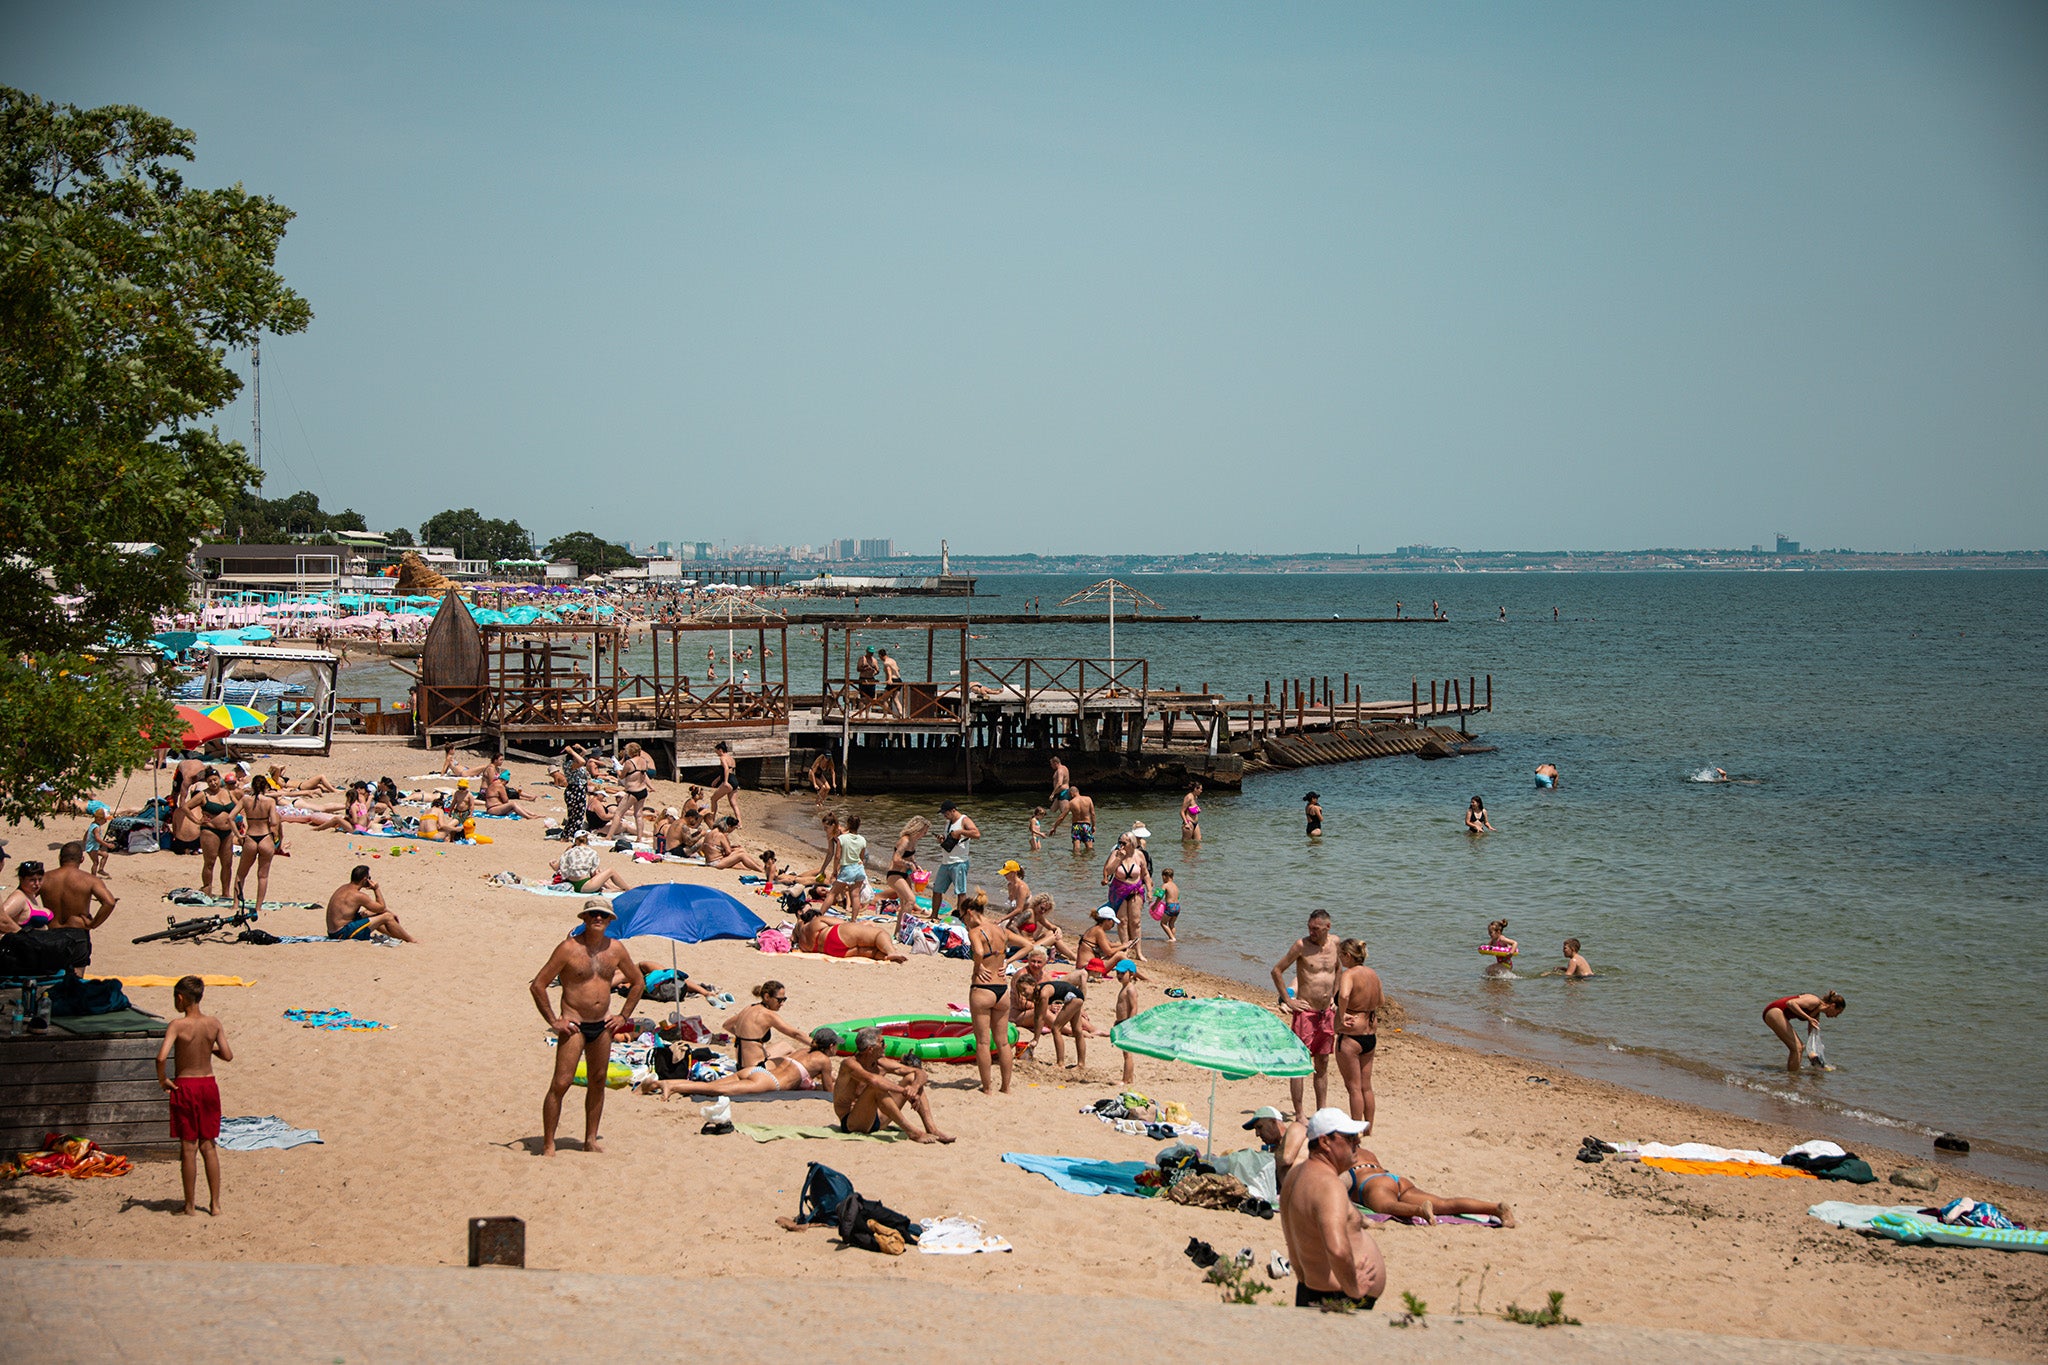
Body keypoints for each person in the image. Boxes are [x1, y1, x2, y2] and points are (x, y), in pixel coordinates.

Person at [530, 901, 644, 1155]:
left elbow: (638, 982)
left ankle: (590, 1139)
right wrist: (553, 1020)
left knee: (598, 1080)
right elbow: (538, 984)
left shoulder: (616, 949)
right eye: (593, 914)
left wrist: (623, 1016)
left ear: (610, 920)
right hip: (575, 1025)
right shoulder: (568, 949)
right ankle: (549, 1143)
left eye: (603, 915)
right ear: (584, 917)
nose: (597, 918)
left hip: (603, 1025)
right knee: (561, 1082)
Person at [1279, 1109, 1386, 1311]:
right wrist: (1354, 1289)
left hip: (1310, 1290)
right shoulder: (1328, 1185)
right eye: (1350, 1138)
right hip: (1337, 1297)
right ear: (1325, 1142)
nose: (1358, 1143)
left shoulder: (1294, 1177)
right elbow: (1337, 1249)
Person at [156, 975, 231, 1215]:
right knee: (209, 1146)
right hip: (208, 1085)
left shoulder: (177, 1026)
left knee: (188, 1147)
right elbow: (228, 1055)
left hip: (186, 1086)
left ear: (180, 998)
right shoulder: (213, 1023)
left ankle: (189, 1206)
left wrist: (163, 1079)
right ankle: (215, 1205)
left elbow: (161, 1057)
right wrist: (210, 1048)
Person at [1342, 1144, 1515, 1228]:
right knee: (1445, 1203)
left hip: (1370, 1183)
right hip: (1394, 1178)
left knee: (1387, 1206)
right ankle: (1495, 1208)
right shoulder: (1368, 1152)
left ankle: (1419, 1211)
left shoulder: (1339, 1154)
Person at [1271, 909, 1340, 1118]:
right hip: (1306, 1013)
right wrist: (1289, 1001)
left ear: (1327, 927)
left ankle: (1321, 1110)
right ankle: (1299, 1113)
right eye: (1310, 928)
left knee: (1323, 1063)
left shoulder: (1336, 943)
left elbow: (1339, 970)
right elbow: (1276, 971)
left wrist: (1335, 999)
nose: (1312, 932)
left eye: (1316, 929)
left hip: (1326, 1013)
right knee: (1299, 1064)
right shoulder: (1301, 946)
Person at [640, 1028, 837, 1100]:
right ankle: (670, 1084)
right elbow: (828, 1091)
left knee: (711, 1087)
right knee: (713, 1091)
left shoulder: (804, 1051)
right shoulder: (823, 1060)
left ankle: (656, 1085)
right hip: (769, 1082)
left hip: (756, 1071)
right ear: (830, 1046)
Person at [833, 1026, 954, 1142]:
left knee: (912, 1078)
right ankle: (911, 1131)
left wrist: (914, 1087)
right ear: (870, 1049)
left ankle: (932, 1129)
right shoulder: (849, 1064)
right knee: (875, 1088)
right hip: (852, 1122)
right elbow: (873, 1080)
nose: (885, 1045)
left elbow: (920, 1072)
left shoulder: (880, 1062)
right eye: (882, 1042)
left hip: (877, 1120)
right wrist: (904, 1091)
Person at [958, 896, 1012, 1095]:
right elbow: (1027, 945)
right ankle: (1006, 1087)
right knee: (1003, 1041)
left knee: (982, 1042)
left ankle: (987, 1088)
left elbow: (979, 951)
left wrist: (977, 966)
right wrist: (1007, 962)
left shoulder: (974, 931)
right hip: (1002, 989)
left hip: (983, 988)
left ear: (970, 912)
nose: (964, 922)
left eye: (963, 918)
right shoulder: (1000, 929)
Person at [1333, 939, 1382, 1129]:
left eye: (1341, 955)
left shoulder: (1349, 974)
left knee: (1353, 1087)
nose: (1339, 959)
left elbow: (1344, 995)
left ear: (1348, 955)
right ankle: (1368, 1127)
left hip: (1352, 1034)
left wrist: (1343, 1013)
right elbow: (1381, 1000)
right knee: (1366, 1086)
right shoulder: (1373, 974)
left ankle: (1355, 1128)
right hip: (1370, 1032)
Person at [724, 981, 813, 1070]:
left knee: (785, 1045)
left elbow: (727, 1025)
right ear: (767, 997)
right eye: (779, 1000)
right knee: (800, 1057)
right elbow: (795, 1034)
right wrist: (817, 1045)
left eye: (784, 999)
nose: (782, 1004)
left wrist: (745, 1036)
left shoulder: (749, 1008)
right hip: (756, 1069)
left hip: (740, 1066)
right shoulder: (768, 1015)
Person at [231, 775, 283, 911]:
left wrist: (238, 835)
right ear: (265, 787)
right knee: (263, 876)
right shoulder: (270, 801)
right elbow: (274, 821)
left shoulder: (245, 800)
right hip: (265, 837)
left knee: (241, 874)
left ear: (253, 787)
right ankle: (258, 907)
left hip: (250, 837)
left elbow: (230, 817)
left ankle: (235, 904)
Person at [325, 865, 417, 942]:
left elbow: (376, 910)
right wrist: (376, 889)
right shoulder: (358, 895)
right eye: (369, 878)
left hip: (334, 931)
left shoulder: (343, 888)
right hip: (342, 933)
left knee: (369, 913)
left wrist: (390, 912)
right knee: (387, 917)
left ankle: (397, 935)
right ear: (364, 879)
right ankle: (411, 940)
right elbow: (381, 907)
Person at [1762, 991, 1846, 1071]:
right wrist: (1808, 1018)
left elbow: (1811, 1037)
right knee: (1797, 1048)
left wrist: (1812, 1054)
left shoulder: (1816, 1015)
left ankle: (1793, 1077)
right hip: (1774, 1011)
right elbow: (1791, 1003)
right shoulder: (1814, 1001)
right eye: (1837, 1013)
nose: (1836, 1016)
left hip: (1778, 1014)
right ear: (1833, 1006)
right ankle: (1792, 1079)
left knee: (1800, 1047)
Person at [42, 843, 117, 931]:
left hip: (52, 931)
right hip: (77, 932)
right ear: (82, 859)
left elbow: (23, 897)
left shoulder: (44, 878)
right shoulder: (90, 880)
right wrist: (93, 924)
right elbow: (110, 903)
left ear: (59, 857)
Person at [1101, 833, 1152, 960]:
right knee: (1122, 921)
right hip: (1119, 890)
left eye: (1124, 843)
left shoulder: (1139, 855)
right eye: (1120, 842)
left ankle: (1139, 952)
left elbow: (1145, 874)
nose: (1121, 845)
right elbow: (1108, 871)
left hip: (1136, 891)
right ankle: (1125, 949)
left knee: (1136, 922)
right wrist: (1119, 858)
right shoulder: (1116, 853)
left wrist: (1150, 890)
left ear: (1132, 843)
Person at [796, 908, 908, 962]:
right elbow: (845, 924)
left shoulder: (802, 942)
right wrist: (864, 924)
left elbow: (795, 930)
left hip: (831, 950)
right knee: (879, 933)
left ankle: (885, 957)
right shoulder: (817, 920)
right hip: (835, 936)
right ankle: (891, 952)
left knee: (871, 952)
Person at [193, 769, 238, 896]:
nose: (213, 783)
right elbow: (185, 807)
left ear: (219, 779)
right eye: (210, 781)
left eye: (215, 780)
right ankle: (207, 889)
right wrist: (197, 821)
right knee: (210, 862)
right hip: (210, 831)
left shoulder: (228, 793)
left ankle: (226, 893)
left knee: (227, 863)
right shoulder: (203, 795)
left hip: (227, 832)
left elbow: (240, 805)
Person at [929, 800, 977, 918]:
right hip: (946, 861)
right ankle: (934, 915)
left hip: (959, 862)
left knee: (960, 892)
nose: (944, 815)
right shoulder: (948, 822)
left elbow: (976, 834)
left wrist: (960, 831)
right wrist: (943, 839)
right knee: (937, 889)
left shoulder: (964, 820)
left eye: (946, 813)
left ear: (953, 811)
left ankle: (961, 917)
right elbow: (950, 838)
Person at [552, 830, 632, 894]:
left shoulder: (569, 851)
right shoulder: (592, 852)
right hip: (584, 885)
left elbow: (557, 868)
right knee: (611, 871)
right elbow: (594, 873)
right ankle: (628, 889)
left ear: (575, 841)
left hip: (571, 883)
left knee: (600, 876)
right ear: (587, 840)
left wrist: (551, 863)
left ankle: (616, 889)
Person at [883, 815, 927, 928]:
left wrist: (917, 866)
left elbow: (910, 857)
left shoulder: (913, 841)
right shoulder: (905, 840)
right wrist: (909, 864)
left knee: (905, 904)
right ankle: (904, 929)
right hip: (894, 874)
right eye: (924, 831)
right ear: (918, 829)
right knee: (911, 900)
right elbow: (896, 858)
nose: (925, 835)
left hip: (904, 874)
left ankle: (899, 931)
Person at [616, 741, 655, 839]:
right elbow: (644, 775)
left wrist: (616, 768)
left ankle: (608, 837)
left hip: (632, 791)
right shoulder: (643, 761)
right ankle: (639, 838)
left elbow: (621, 776)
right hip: (642, 790)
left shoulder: (630, 762)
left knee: (618, 813)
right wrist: (651, 787)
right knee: (638, 815)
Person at [1114, 958, 1143, 1084]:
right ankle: (1129, 1078)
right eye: (1118, 973)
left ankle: (1126, 1080)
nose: (1119, 976)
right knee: (1125, 1053)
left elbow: (1134, 1007)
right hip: (1122, 1022)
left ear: (1131, 974)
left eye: (1122, 973)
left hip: (1127, 1022)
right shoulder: (1124, 987)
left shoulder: (1130, 989)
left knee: (1127, 1054)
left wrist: (1129, 1024)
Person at [831, 814, 868, 910]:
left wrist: (835, 870)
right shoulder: (863, 839)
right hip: (859, 868)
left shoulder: (842, 837)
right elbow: (862, 858)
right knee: (855, 894)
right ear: (859, 825)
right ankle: (853, 919)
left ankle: (820, 914)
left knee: (832, 893)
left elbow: (837, 856)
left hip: (848, 867)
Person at [1, 862, 51, 932]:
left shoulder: (30, 896)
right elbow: (1, 918)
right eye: (32, 880)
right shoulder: (18, 898)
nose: (37, 884)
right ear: (21, 879)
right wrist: (21, 934)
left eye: (40, 879)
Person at [708, 741, 737, 820]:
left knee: (713, 799)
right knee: (733, 804)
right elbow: (731, 770)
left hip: (729, 781)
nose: (716, 753)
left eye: (716, 751)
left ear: (720, 750)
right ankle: (739, 823)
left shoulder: (722, 758)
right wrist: (716, 780)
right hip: (734, 780)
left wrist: (725, 781)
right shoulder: (731, 758)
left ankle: (712, 817)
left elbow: (726, 769)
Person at [1045, 756, 1073, 832]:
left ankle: (1066, 829)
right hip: (1060, 793)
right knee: (1051, 811)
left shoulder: (1060, 770)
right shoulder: (1065, 768)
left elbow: (1060, 783)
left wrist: (1053, 793)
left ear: (1055, 763)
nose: (1051, 766)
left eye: (1051, 764)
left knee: (1065, 813)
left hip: (1063, 793)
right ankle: (1053, 826)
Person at [83, 806, 113, 876]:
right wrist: (107, 845)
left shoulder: (93, 824)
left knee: (105, 855)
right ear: (99, 819)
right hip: (92, 848)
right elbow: (97, 839)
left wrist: (84, 839)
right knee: (95, 862)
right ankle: (93, 876)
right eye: (105, 820)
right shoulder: (96, 828)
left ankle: (101, 869)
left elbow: (87, 832)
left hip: (93, 847)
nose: (106, 822)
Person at [1154, 868, 1182, 941]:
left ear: (1164, 876)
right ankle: (1173, 937)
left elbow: (1160, 896)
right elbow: (1177, 897)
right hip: (1177, 906)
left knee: (1163, 923)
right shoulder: (1176, 886)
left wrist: (1155, 906)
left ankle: (1172, 938)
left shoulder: (1165, 885)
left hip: (1170, 907)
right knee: (1171, 924)